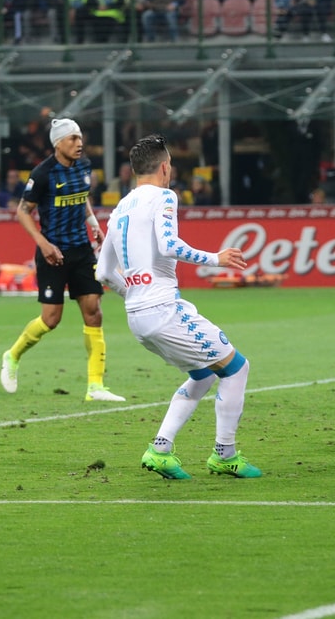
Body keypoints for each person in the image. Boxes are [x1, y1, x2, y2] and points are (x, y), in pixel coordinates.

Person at [95, 134, 261, 480]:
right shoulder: (164, 196)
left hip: (137, 317)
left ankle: (160, 449)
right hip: (163, 309)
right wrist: (216, 258)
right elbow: (169, 245)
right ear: (164, 167)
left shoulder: (119, 209)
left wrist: (133, 293)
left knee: (203, 374)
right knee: (236, 368)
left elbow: (103, 273)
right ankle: (225, 455)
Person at [0, 118, 125, 403]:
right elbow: (22, 211)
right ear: (58, 143)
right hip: (53, 253)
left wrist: (93, 223)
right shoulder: (43, 173)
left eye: (80, 137)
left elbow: (82, 197)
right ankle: (13, 355)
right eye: (72, 139)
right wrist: (43, 244)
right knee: (51, 319)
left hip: (81, 250)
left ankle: (95, 386)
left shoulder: (84, 165)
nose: (79, 143)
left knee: (93, 311)